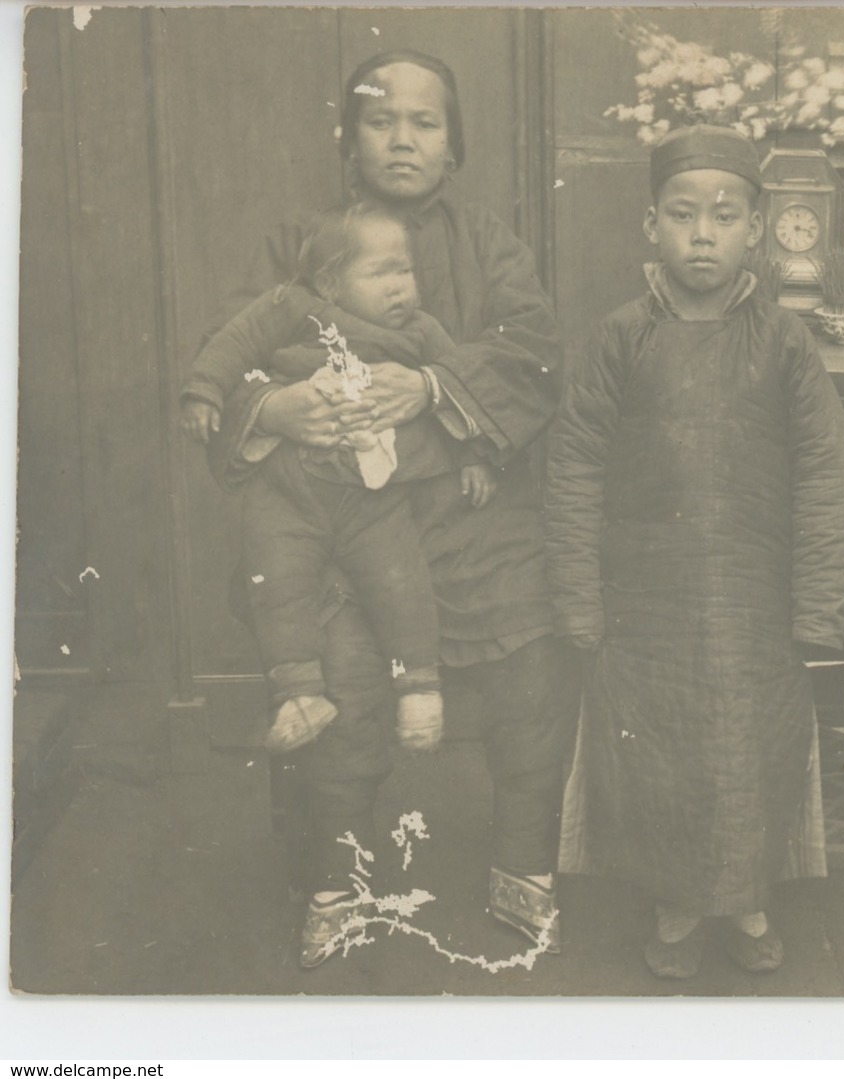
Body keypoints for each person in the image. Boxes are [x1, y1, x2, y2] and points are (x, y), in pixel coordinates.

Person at [202, 50, 577, 969]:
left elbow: (535, 351)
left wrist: (434, 384)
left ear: (454, 143)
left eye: (426, 122)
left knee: (533, 672)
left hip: (468, 513)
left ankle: (525, 866)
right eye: (381, 120)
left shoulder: (487, 240)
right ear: (347, 136)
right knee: (339, 692)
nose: (403, 139)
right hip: (342, 525)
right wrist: (274, 407)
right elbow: (229, 345)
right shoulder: (299, 240)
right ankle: (338, 879)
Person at [545, 125, 844, 980]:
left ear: (758, 228)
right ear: (652, 225)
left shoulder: (785, 342)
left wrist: (817, 601)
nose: (704, 233)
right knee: (662, 749)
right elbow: (573, 465)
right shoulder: (619, 338)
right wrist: (578, 596)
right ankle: (676, 901)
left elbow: (825, 469)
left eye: (725, 216)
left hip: (753, 591)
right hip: (645, 596)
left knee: (750, 742)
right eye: (683, 215)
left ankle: (748, 896)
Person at [183, 205, 493, 756]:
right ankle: (298, 695)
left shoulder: (421, 331)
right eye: (381, 274)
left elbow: (462, 385)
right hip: (287, 492)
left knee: (402, 581)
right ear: (329, 282)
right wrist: (205, 391)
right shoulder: (293, 308)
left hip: (372, 497)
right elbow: (235, 342)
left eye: (407, 271)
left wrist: (474, 454)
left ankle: (420, 688)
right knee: (275, 580)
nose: (401, 287)